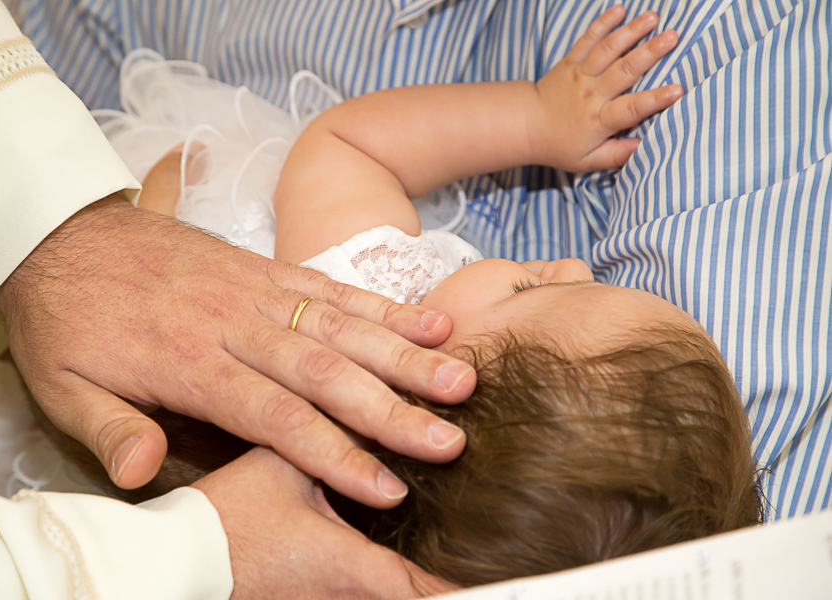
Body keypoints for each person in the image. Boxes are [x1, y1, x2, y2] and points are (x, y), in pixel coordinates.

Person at [45, 8, 758, 588]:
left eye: (528, 289)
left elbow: (345, 142)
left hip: (166, 228)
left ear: (421, 377)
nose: (573, 265)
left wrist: (535, 118)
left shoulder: (364, 286)